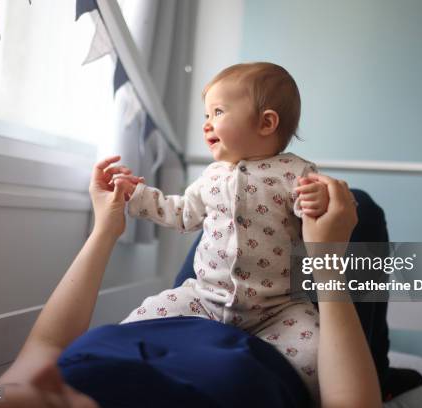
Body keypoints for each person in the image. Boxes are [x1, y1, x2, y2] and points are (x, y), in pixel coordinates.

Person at [0, 155, 379, 407]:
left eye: (0, 391)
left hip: (193, 303)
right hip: (280, 328)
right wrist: (327, 261)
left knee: (239, 205)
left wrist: (107, 228)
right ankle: (383, 356)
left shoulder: (36, 379)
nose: (41, 373)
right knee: (358, 209)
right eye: (52, 402)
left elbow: (45, 348)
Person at [120, 62, 331, 398]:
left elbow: (317, 220)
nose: (206, 124)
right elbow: (182, 213)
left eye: (217, 112)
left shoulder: (296, 172)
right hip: (204, 297)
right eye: (206, 115)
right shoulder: (212, 175)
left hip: (278, 307)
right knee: (143, 319)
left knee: (317, 356)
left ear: (266, 123)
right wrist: (136, 195)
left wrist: (320, 198)